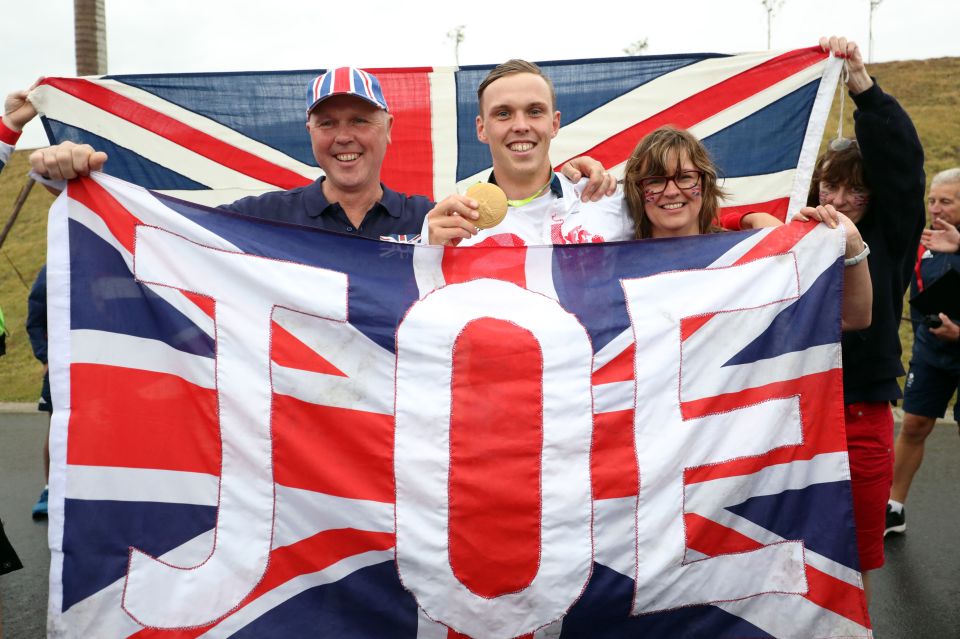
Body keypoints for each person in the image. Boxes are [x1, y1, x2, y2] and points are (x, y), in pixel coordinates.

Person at [28, 67, 615, 240]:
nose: (345, 136)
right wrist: (71, 182)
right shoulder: (266, 216)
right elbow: (162, 231)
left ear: (387, 131)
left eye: (360, 121)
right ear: (310, 134)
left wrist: (587, 179)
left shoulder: (432, 219)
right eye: (328, 123)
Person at [804, 36, 925, 600]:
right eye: (830, 184)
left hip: (859, 411)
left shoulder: (890, 233)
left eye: (856, 188)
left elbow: (900, 165)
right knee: (784, 551)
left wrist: (862, 87)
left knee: (854, 559)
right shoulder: (791, 234)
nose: (841, 198)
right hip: (789, 409)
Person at [424, 59, 780, 247]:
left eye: (534, 111)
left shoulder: (605, 197)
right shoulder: (451, 224)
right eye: (503, 113)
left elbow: (687, 224)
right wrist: (426, 253)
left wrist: (747, 221)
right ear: (481, 128)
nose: (521, 125)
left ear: (555, 123)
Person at [623, 124, 871, 327]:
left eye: (684, 177)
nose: (671, 191)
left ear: (706, 182)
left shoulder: (747, 255)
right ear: (638, 189)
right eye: (655, 181)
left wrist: (851, 242)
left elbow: (853, 318)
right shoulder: (616, 263)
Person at [887, 168, 960, 534]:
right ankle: (893, 508)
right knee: (914, 424)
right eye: (932, 200)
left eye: (946, 201)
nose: (936, 209)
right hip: (932, 353)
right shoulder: (925, 242)